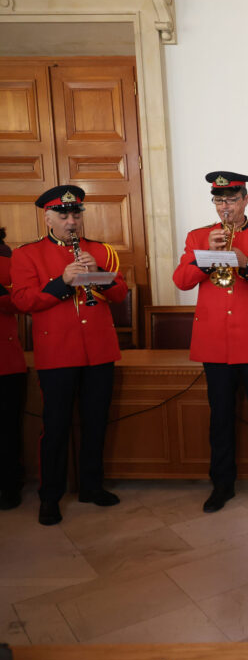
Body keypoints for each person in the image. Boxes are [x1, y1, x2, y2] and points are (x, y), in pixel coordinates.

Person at [10, 185, 128, 525]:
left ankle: (92, 486)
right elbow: (22, 302)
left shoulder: (101, 250)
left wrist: (99, 277)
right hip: (58, 352)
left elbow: (119, 293)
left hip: (100, 350)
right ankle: (50, 496)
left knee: (95, 423)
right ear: (47, 216)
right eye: (63, 215)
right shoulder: (27, 254)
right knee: (56, 426)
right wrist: (62, 281)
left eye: (76, 214)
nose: (71, 220)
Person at [173, 171, 248, 514]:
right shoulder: (198, 236)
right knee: (219, 418)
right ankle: (221, 485)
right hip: (215, 343)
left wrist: (246, 263)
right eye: (219, 200)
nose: (225, 207)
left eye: (232, 199)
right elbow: (181, 281)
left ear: (246, 200)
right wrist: (203, 254)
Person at [0, 226, 28, 510]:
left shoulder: (9, 260)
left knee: (7, 428)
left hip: (4, 360)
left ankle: (9, 485)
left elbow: (23, 302)